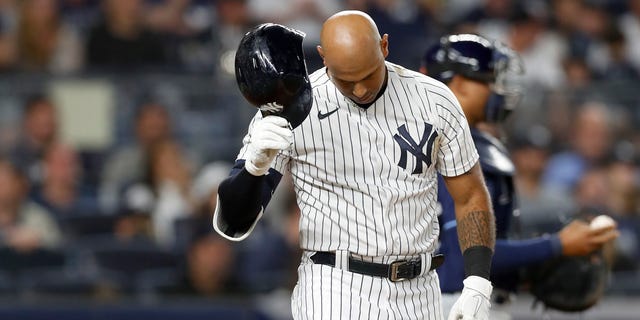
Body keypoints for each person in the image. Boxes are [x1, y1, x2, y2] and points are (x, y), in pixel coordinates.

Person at [215, 11, 497, 320]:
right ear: (323, 58)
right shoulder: (290, 107)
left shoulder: (435, 99)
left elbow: (470, 194)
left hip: (420, 288)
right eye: (347, 80)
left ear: (384, 47)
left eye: (368, 75)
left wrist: (478, 281)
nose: (361, 89)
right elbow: (233, 224)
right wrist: (254, 168)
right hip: (335, 284)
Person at [421, 34, 620, 319]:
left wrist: (531, 266)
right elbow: (466, 255)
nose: (498, 90)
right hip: (453, 305)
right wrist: (556, 245)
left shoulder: (456, 141)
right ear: (459, 84)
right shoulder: (448, 147)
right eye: (489, 80)